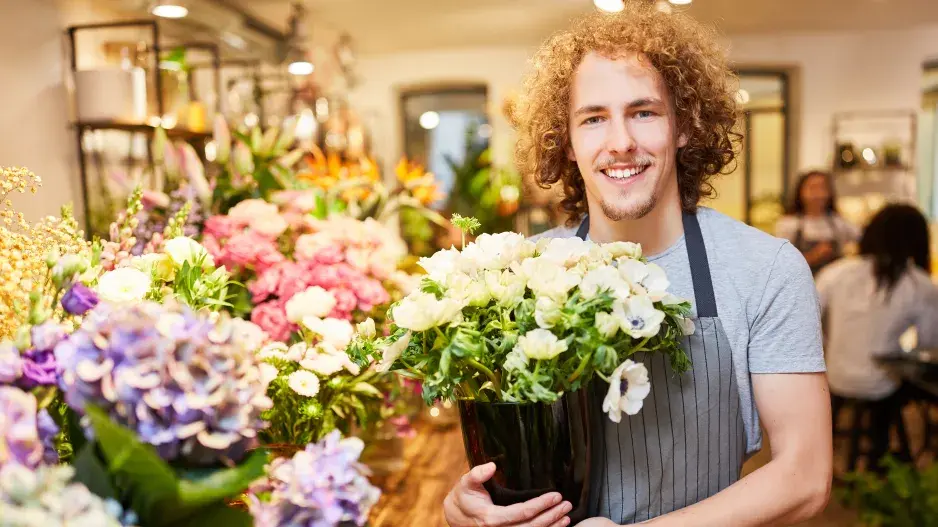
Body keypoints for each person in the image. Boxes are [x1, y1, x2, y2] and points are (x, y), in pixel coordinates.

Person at [442, 3, 832, 527]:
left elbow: (805, 478)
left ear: (684, 127)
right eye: (594, 119)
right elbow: (508, 458)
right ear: (569, 140)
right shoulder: (521, 273)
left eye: (643, 112)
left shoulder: (764, 269)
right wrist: (464, 509)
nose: (620, 142)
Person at [816, 204, 938, 468]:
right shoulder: (919, 284)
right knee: (905, 383)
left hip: (834, 376)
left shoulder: (836, 271)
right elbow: (929, 343)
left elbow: (807, 321)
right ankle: (881, 454)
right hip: (880, 384)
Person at [775, 171, 860, 275]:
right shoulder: (789, 224)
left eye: (822, 188)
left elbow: (863, 238)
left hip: (834, 284)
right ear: (800, 191)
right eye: (812, 188)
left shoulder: (839, 222)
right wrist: (813, 256)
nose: (818, 194)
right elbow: (782, 263)